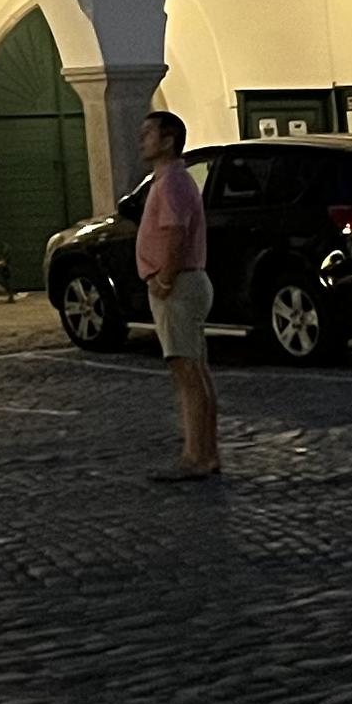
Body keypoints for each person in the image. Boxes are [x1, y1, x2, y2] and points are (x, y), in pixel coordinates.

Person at [136, 111, 220, 482]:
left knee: (186, 371)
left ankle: (196, 456)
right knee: (196, 369)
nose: (142, 140)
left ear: (168, 140)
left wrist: (164, 279)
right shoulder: (172, 180)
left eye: (148, 133)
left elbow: (174, 233)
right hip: (188, 281)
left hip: (180, 284)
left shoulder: (170, 182)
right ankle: (206, 452)